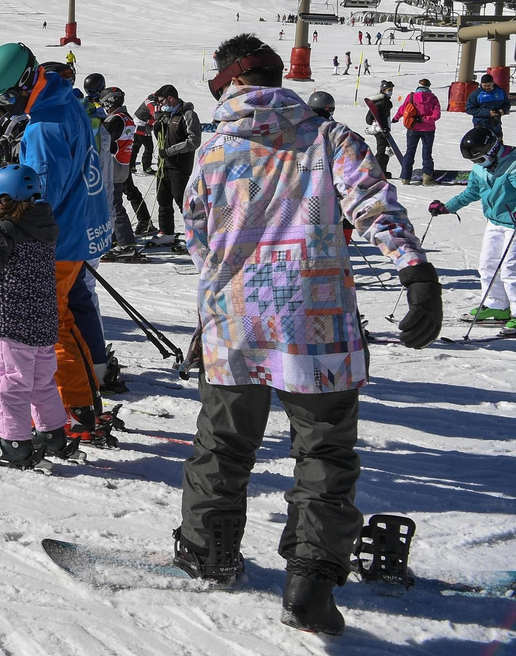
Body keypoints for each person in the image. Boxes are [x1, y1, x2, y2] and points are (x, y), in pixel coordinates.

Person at [174, 33, 438, 637]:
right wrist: (415, 270)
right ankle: (311, 579)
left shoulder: (212, 152)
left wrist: (210, 311)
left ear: (230, 80)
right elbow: (374, 204)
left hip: (236, 322)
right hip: (314, 325)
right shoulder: (327, 137)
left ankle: (207, 551)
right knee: (323, 451)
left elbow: (199, 240)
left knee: (223, 444)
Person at [0, 43, 112, 441]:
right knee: (61, 318)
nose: (3, 107)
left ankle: (77, 409)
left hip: (61, 237)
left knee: (50, 326)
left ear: (22, 84)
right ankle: (77, 402)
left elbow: (35, 195)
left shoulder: (43, 127)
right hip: (79, 224)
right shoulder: (62, 96)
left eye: (4, 98)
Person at [0, 164, 81, 467]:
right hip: (44, 322)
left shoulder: (3, 230)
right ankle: (52, 434)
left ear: (4, 200)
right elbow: (5, 250)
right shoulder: (43, 223)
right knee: (41, 382)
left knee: (10, 383)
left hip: (13, 325)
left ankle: (13, 441)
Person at [431, 127, 516, 331]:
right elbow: (472, 191)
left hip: (513, 224)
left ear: (492, 149)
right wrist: (447, 207)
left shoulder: (512, 164)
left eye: (479, 159)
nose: (478, 164)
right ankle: (497, 306)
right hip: (495, 222)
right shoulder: (481, 168)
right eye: (474, 161)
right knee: (487, 266)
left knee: (511, 271)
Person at [101, 87, 153, 254]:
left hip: (114, 166)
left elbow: (105, 141)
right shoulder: (126, 117)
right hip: (122, 164)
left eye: (104, 104)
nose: (104, 108)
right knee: (113, 204)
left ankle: (126, 244)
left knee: (114, 205)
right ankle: (116, 238)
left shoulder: (115, 119)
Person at [153, 84, 202, 252]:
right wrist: (157, 128)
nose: (160, 105)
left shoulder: (188, 115)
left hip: (179, 166)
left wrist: (170, 151)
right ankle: (166, 232)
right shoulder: (167, 115)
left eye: (161, 101)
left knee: (183, 202)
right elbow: (163, 136)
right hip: (164, 165)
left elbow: (194, 141)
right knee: (163, 199)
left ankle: (197, 236)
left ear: (170, 98)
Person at [392, 78, 441, 184]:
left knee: (409, 152)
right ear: (428, 87)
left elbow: (403, 108)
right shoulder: (433, 98)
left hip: (412, 128)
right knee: (427, 153)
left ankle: (405, 177)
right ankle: (427, 178)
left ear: (418, 85)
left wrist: (396, 118)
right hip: (428, 129)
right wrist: (424, 119)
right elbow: (437, 115)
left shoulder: (411, 96)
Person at [364, 81, 395, 177]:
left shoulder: (379, 101)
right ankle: (377, 171)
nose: (391, 92)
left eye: (391, 90)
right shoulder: (383, 102)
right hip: (380, 129)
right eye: (389, 90)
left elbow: (369, 119)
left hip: (381, 129)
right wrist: (385, 128)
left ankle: (382, 170)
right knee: (382, 151)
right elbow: (382, 117)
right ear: (383, 90)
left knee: (386, 150)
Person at [466, 73, 510, 139]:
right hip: (481, 124)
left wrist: (503, 110)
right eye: (484, 86)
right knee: (482, 145)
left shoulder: (500, 92)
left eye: (489, 85)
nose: (487, 87)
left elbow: (507, 103)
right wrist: (487, 113)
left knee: (498, 143)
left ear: (493, 83)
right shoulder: (476, 94)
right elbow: (469, 109)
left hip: (496, 124)